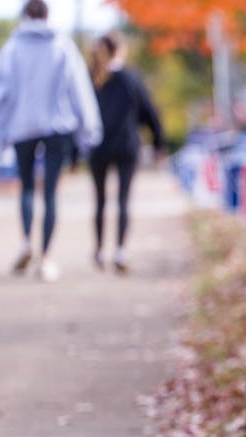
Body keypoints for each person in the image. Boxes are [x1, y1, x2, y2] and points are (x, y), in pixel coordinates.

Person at [0, 0, 101, 281]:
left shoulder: (12, 49)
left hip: (21, 126)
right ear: (48, 16)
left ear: (25, 15)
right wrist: (89, 128)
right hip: (58, 127)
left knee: (26, 187)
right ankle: (46, 256)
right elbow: (79, 88)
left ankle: (26, 240)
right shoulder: (61, 46)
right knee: (50, 192)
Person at [88, 31, 164, 273]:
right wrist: (158, 142)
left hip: (97, 146)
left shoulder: (92, 78)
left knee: (99, 201)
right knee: (123, 199)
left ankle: (99, 249)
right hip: (126, 146)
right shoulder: (131, 79)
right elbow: (149, 112)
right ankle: (120, 250)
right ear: (120, 50)